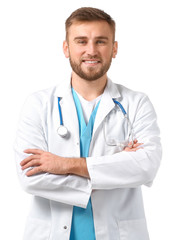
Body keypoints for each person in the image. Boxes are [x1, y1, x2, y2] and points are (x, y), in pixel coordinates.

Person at [14, 7, 162, 240]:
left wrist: (64, 165)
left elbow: (146, 166)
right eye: (81, 41)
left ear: (114, 49)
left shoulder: (136, 103)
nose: (91, 51)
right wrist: (116, 168)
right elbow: (31, 176)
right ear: (66, 48)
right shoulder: (39, 105)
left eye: (101, 41)